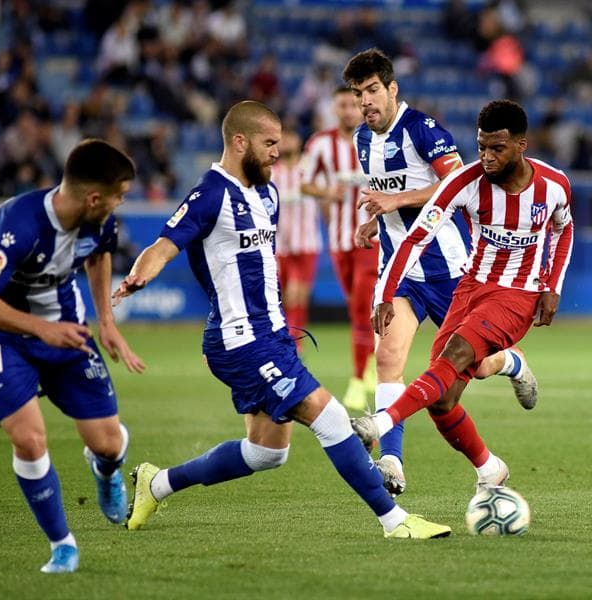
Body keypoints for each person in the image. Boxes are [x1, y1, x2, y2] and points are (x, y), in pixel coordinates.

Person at [113, 100, 451, 540]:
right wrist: (141, 273)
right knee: (330, 418)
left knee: (266, 453)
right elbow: (164, 244)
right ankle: (396, 521)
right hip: (241, 341)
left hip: (271, 337)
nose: (279, 151)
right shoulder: (210, 193)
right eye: (269, 144)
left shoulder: (268, 194)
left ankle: (156, 484)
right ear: (240, 142)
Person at [343, 49, 537, 496]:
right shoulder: (362, 140)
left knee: (478, 366)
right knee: (388, 360)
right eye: (358, 94)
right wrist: (376, 219)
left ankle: (512, 361)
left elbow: (459, 183)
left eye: (373, 90)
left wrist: (397, 201)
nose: (366, 102)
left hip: (451, 270)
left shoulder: (423, 130)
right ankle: (391, 461)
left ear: (392, 89)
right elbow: (387, 195)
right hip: (401, 270)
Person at [0, 139, 146, 574]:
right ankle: (63, 544)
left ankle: (105, 469)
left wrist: (106, 321)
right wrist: (42, 329)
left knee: (108, 442)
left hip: (67, 333)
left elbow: (98, 258)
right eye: (118, 195)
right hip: (2, 337)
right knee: (29, 439)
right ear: (94, 196)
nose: (120, 204)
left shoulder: (100, 222)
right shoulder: (16, 225)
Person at [299, 86, 377, 411]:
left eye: (352, 105)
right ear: (334, 108)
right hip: (338, 239)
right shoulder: (320, 143)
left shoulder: (377, 140)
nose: (347, 111)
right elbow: (303, 181)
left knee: (360, 306)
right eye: (341, 105)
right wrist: (324, 192)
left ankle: (358, 380)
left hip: (370, 239)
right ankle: (370, 357)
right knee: (356, 306)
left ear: (361, 107)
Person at [272, 128, 321, 351]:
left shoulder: (309, 169)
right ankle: (288, 340)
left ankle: (294, 342)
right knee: (286, 295)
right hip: (282, 244)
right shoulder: (273, 173)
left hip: (307, 242)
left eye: (291, 136)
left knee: (299, 294)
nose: (288, 141)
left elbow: (324, 197)